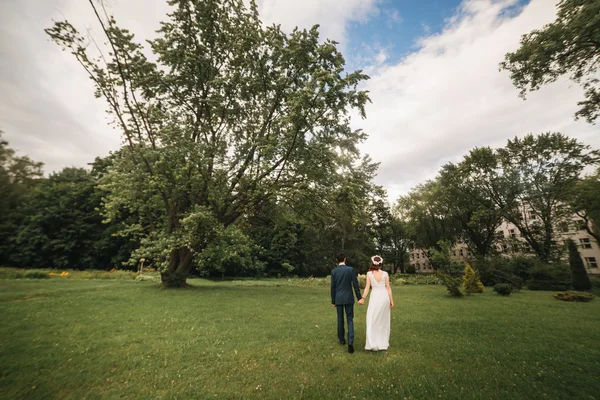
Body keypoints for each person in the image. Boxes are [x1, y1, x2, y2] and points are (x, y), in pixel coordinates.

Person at [358, 255, 394, 351]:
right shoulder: (385, 274)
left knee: (372, 319)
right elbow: (388, 288)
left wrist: (363, 298)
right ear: (381, 264)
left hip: (375, 297)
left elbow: (367, 288)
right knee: (383, 320)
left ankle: (373, 343)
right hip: (384, 297)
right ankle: (382, 343)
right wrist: (391, 300)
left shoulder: (369, 274)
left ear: (372, 263)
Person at [330, 252, 363, 354]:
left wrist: (333, 300)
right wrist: (359, 297)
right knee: (350, 319)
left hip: (339, 298)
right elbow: (355, 285)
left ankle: (341, 340)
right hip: (349, 297)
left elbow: (333, 287)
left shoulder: (334, 271)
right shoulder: (350, 270)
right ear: (345, 259)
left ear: (337, 260)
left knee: (340, 319)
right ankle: (350, 341)